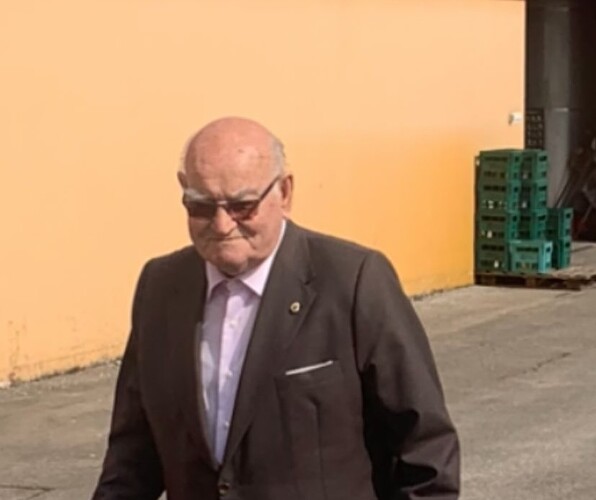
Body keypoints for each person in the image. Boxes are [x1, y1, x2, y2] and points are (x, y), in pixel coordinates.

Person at [92, 117, 460, 500]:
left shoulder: (353, 282)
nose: (222, 224)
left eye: (243, 206)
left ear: (284, 192)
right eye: (200, 206)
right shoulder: (161, 288)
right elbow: (132, 455)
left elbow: (425, 447)